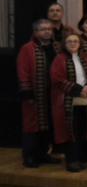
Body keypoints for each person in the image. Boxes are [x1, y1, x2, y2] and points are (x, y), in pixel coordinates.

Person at [51, 30, 87, 172]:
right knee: (71, 131)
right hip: (67, 100)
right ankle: (71, 160)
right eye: (69, 41)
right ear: (64, 44)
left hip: (85, 99)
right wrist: (78, 89)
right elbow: (57, 79)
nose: (73, 44)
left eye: (75, 41)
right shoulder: (59, 59)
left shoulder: (85, 57)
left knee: (82, 129)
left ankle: (80, 158)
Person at [17, 18, 58, 168]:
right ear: (35, 32)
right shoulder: (27, 48)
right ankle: (29, 156)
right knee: (32, 126)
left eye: (49, 29)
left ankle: (43, 154)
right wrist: (27, 91)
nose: (47, 31)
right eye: (43, 29)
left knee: (47, 125)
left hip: (52, 94)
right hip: (34, 94)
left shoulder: (56, 47)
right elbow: (23, 71)